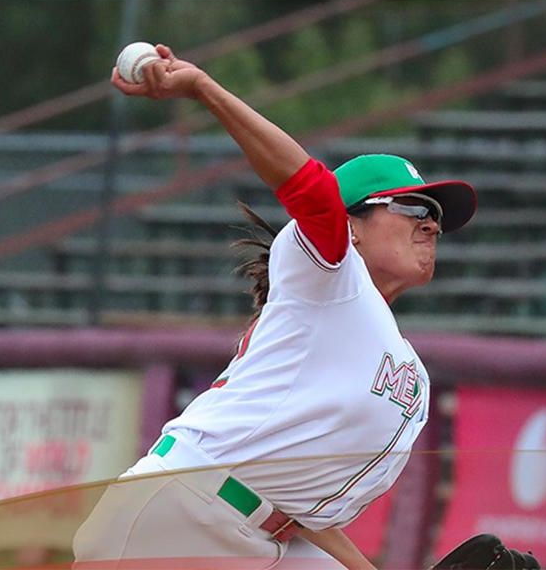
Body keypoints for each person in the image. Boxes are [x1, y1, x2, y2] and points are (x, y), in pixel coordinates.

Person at [72, 43, 477, 570]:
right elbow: (309, 189)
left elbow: (304, 511)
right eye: (412, 207)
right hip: (183, 511)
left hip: (267, 538)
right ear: (350, 226)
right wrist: (202, 89)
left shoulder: (410, 374)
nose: (431, 223)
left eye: (436, 216)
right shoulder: (329, 278)